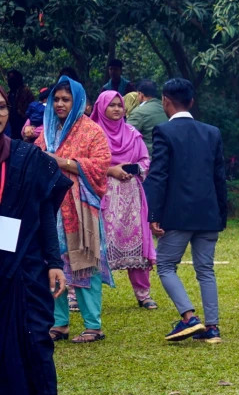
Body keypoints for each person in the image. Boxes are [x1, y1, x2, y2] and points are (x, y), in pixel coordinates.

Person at [0, 85, 73, 395]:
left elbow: (45, 210)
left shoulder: (27, 158)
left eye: (0, 107)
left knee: (36, 343)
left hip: (26, 265)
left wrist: (54, 262)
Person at [144, 78, 228, 343]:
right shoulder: (212, 132)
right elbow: (219, 177)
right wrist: (221, 214)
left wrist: (153, 214)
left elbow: (158, 175)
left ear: (165, 101)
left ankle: (189, 317)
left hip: (177, 214)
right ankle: (212, 328)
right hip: (208, 213)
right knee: (206, 270)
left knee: (166, 265)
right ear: (191, 101)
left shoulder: (164, 131)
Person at [37, 76, 112, 343]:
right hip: (50, 207)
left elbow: (101, 165)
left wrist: (63, 162)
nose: (59, 104)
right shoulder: (46, 131)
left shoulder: (91, 131)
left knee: (84, 263)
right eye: (56, 99)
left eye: (66, 99)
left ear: (77, 101)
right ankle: (59, 323)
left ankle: (93, 326)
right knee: (52, 261)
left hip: (80, 208)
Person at [89, 88, 157, 310]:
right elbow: (84, 163)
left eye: (120, 105)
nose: (117, 109)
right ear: (101, 107)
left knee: (138, 243)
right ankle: (79, 294)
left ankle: (143, 294)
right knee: (95, 243)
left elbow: (145, 160)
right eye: (112, 105)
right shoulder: (92, 134)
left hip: (131, 197)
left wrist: (133, 169)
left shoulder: (132, 133)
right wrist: (111, 171)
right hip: (100, 196)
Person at [126, 79, 168, 146]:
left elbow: (127, 136)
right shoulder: (165, 107)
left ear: (140, 94)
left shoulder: (138, 112)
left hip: (149, 151)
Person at [6, 70, 34, 141]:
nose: (9, 81)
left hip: (23, 121)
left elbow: (31, 107)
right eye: (8, 79)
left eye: (11, 79)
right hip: (12, 123)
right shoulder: (9, 94)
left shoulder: (25, 91)